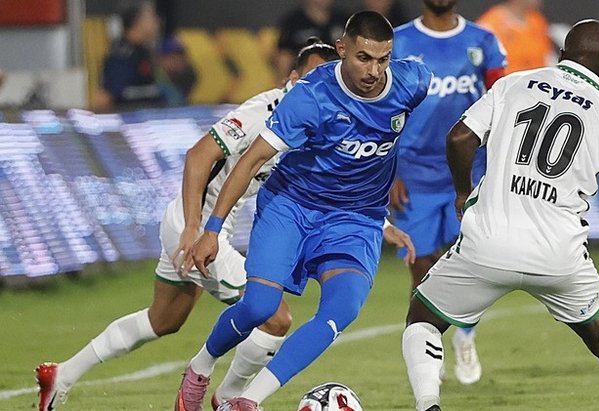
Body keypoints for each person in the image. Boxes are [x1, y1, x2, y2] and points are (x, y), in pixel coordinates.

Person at [34, 39, 414, 411]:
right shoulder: (264, 111)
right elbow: (198, 155)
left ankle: (61, 375)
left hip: (209, 225)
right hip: (196, 224)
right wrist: (194, 228)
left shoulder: (322, 122)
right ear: (292, 77)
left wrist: (380, 224)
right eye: (311, 76)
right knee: (275, 317)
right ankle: (228, 399)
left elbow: (334, 188)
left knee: (162, 320)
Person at [401, 20, 599, 411]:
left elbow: (460, 137)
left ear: (560, 55)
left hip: (489, 242)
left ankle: (428, 404)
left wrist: (462, 191)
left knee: (422, 319)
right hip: (558, 254)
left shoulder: (514, 84)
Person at [176, 11, 431, 411]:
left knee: (340, 311)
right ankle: (200, 367)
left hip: (355, 220)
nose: (374, 71)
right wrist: (211, 229)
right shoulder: (311, 97)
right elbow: (250, 161)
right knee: (260, 307)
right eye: (364, 58)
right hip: (292, 207)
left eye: (383, 60)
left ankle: (247, 401)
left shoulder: (412, 82)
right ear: (342, 49)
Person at [391, 0, 506, 385]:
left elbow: (503, 103)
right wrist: (390, 169)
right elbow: (382, 107)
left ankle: (466, 335)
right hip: (414, 171)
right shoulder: (399, 42)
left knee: (472, 260)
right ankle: (429, 348)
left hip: (470, 170)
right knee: (421, 264)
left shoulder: (484, 41)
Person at [93, 0, 164, 112]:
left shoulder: (144, 52)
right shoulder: (122, 57)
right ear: (137, 21)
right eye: (151, 16)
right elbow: (104, 99)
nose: (157, 21)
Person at [274, 0, 350, 82]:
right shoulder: (293, 22)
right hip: (305, 80)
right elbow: (285, 56)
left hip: (339, 79)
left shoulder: (344, 20)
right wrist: (283, 82)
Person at [476, 0, 553, 73]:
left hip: (537, 80)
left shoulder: (538, 21)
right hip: (506, 81)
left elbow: (547, 58)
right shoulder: (490, 25)